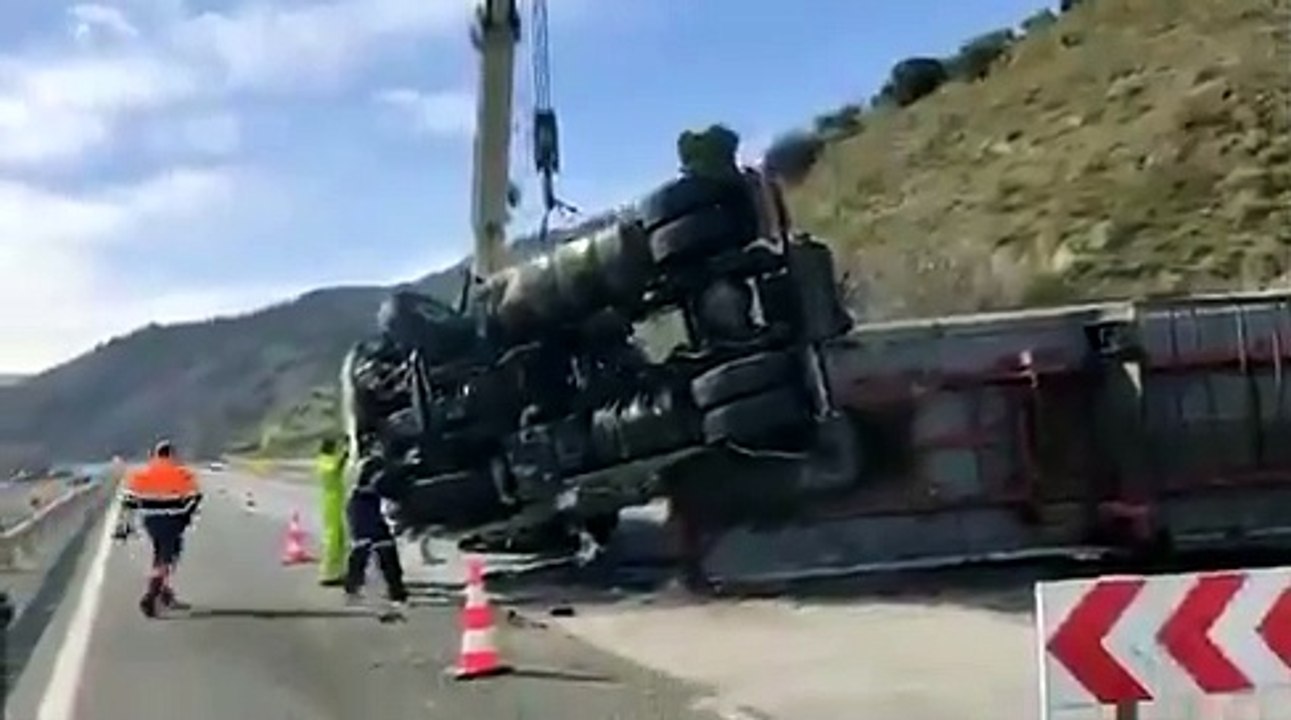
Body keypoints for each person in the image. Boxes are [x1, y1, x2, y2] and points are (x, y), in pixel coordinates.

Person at [121, 439, 203, 618]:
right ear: (172, 455)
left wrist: (126, 525)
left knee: (160, 553)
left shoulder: (141, 474)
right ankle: (151, 594)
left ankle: (165, 593)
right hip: (173, 520)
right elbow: (195, 498)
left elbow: (128, 501)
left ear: (155, 455)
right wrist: (185, 516)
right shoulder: (182, 473)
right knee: (168, 557)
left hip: (151, 521)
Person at [343, 454, 408, 612]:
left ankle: (397, 593)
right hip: (364, 509)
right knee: (362, 550)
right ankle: (353, 588)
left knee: (387, 554)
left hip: (374, 510)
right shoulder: (362, 494)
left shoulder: (383, 484)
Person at [315, 437, 348, 586]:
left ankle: (338, 572)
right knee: (332, 539)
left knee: (340, 537)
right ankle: (327, 573)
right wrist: (346, 452)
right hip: (331, 502)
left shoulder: (326, 459)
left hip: (336, 500)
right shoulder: (325, 461)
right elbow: (336, 467)